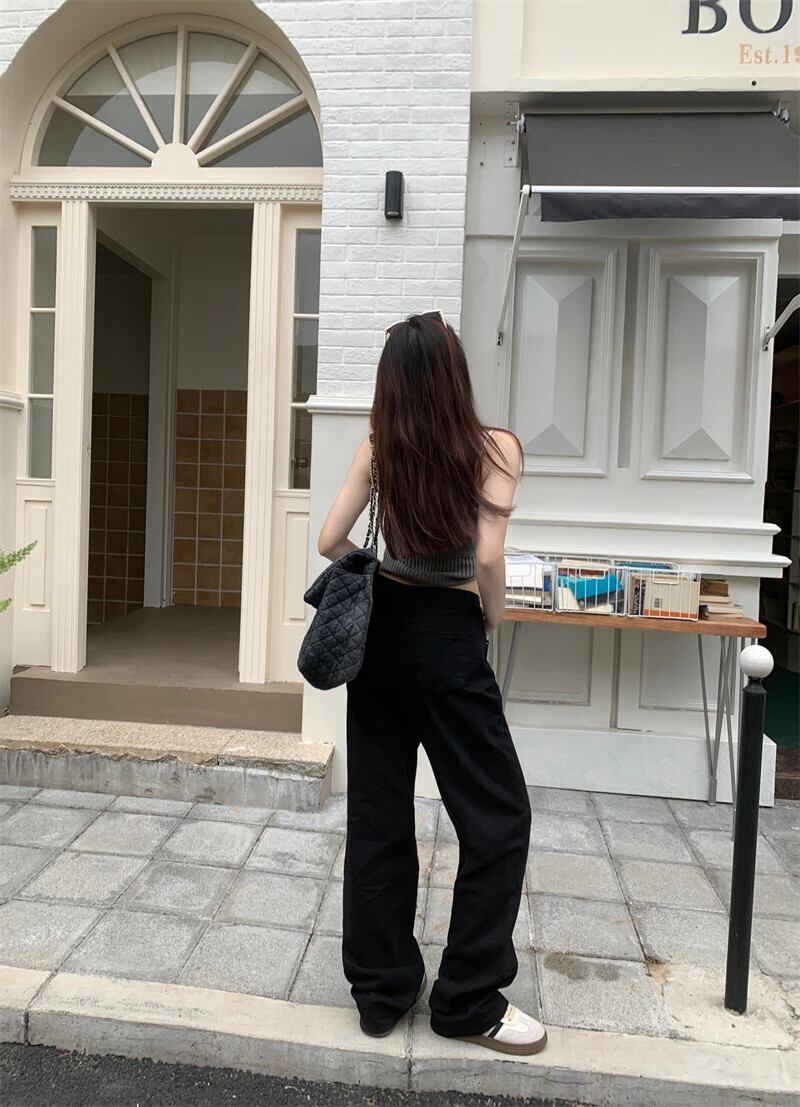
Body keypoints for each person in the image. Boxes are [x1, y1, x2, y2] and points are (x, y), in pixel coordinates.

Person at [316, 310, 546, 1056]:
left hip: (379, 637)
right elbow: (487, 558)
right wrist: (491, 618)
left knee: (379, 813)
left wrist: (379, 570)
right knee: (498, 816)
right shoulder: (494, 448)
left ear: (391, 383)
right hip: (449, 635)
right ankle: (468, 1000)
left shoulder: (380, 446)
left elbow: (329, 540)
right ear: (454, 374)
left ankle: (380, 993)